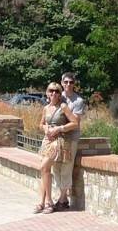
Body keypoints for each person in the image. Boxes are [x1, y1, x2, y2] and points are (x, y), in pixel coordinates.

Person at [35, 82, 79, 214]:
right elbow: (41, 123)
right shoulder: (46, 108)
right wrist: (45, 128)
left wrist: (60, 128)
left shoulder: (63, 107)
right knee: (45, 170)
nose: (54, 93)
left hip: (59, 141)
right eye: (51, 91)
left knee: (44, 167)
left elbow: (75, 123)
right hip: (47, 141)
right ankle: (42, 202)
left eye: (57, 91)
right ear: (47, 93)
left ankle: (48, 202)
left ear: (60, 94)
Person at [53, 73, 87, 210]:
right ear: (61, 82)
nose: (68, 84)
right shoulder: (57, 96)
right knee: (55, 166)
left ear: (74, 84)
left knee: (66, 166)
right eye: (66, 82)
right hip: (57, 137)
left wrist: (60, 127)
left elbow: (75, 123)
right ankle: (63, 198)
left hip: (71, 137)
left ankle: (62, 199)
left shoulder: (78, 101)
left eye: (71, 82)